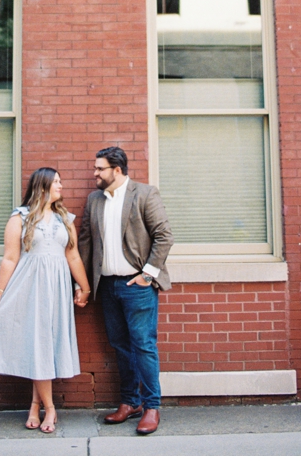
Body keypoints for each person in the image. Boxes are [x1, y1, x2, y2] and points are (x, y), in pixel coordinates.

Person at [0, 168, 92, 434]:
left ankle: (35, 405)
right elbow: (10, 258)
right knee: (39, 343)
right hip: (29, 287)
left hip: (56, 289)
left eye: (61, 181)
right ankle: (51, 408)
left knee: (44, 345)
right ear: (42, 186)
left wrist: (85, 287)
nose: (61, 186)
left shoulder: (65, 218)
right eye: (56, 182)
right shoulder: (19, 218)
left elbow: (73, 256)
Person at [77, 146, 173, 435]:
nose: (94, 173)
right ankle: (130, 402)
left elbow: (164, 236)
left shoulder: (144, 194)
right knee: (120, 345)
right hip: (107, 286)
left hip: (137, 285)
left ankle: (151, 406)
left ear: (117, 170)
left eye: (99, 169)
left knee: (143, 344)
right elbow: (84, 243)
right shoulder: (94, 200)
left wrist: (148, 275)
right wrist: (82, 284)